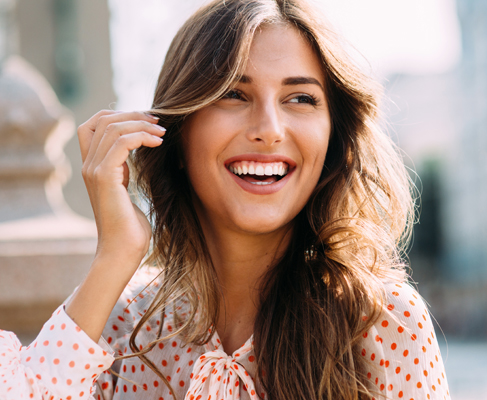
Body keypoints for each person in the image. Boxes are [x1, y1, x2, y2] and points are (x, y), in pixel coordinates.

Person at [0, 0, 451, 399]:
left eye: (300, 98)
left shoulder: (383, 322)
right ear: (176, 132)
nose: (270, 128)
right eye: (233, 94)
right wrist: (115, 256)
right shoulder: (121, 325)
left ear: (333, 140)